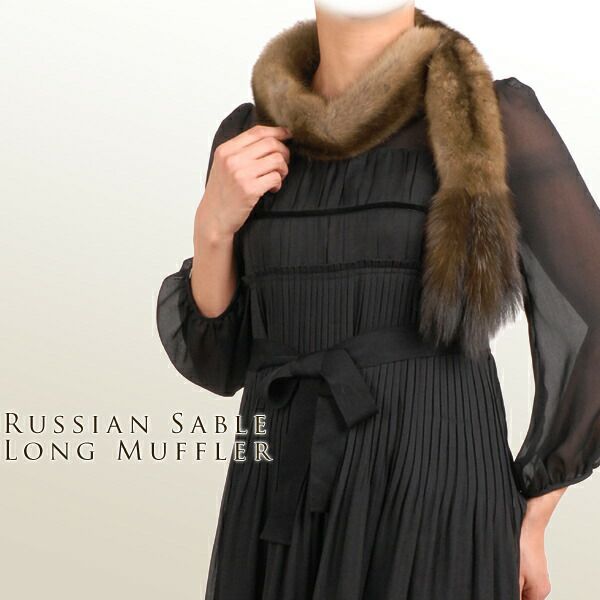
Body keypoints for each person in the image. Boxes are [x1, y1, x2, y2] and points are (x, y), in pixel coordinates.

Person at [156, 2, 600, 599]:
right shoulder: (249, 136)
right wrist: (213, 228)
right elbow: (219, 361)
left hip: (431, 491)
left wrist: (536, 510)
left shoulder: (492, 118)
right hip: (276, 492)